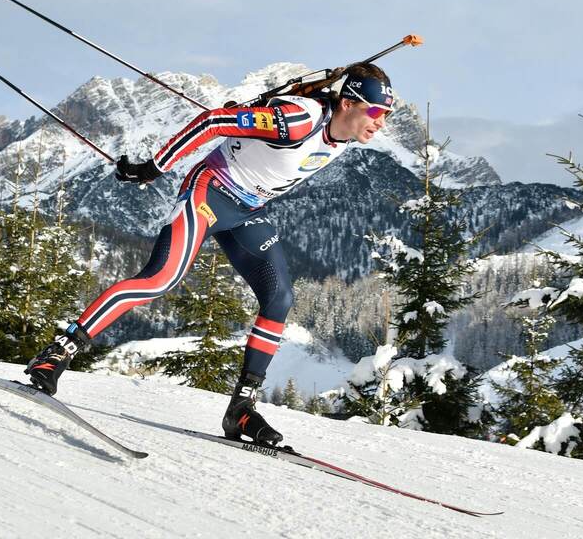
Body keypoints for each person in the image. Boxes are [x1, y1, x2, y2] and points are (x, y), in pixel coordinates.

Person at [25, 62, 394, 445]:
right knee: (159, 279)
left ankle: (241, 410)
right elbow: (213, 122)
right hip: (210, 193)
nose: (381, 123)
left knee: (279, 298)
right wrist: (154, 168)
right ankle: (58, 352)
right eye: (376, 112)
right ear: (348, 104)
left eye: (386, 115)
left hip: (249, 210)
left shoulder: (345, 134)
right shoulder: (299, 120)